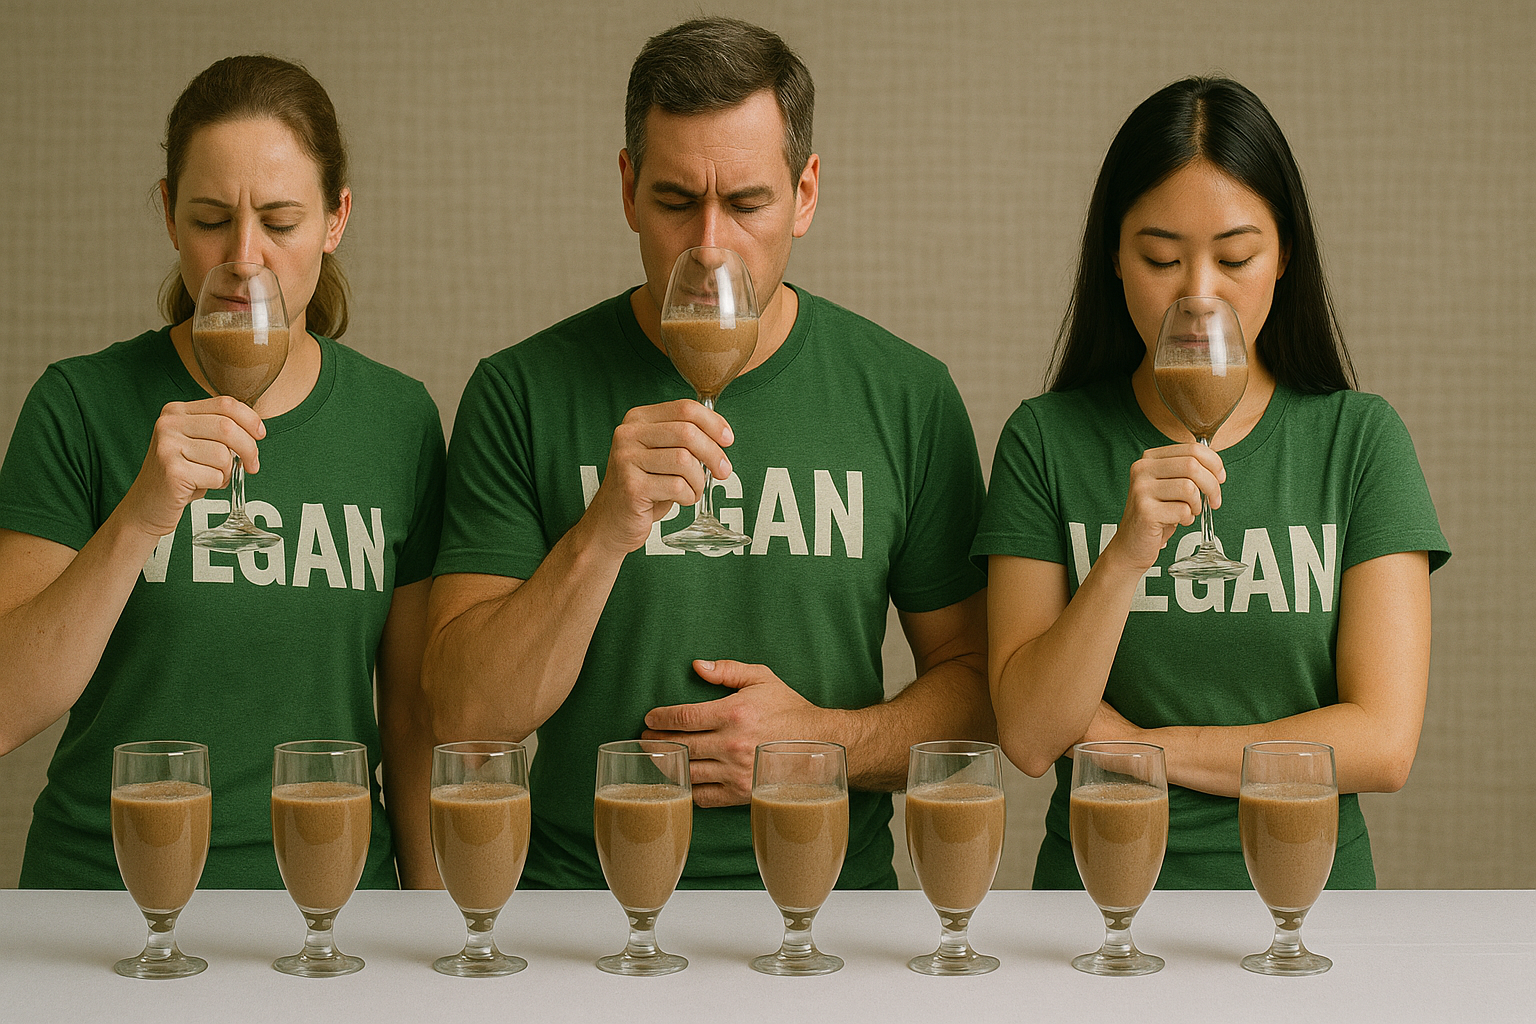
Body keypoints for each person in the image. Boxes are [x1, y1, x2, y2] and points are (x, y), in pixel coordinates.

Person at [425, 17, 991, 890]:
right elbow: (465, 717)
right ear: (627, 191)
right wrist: (605, 530)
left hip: (827, 911)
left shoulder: (906, 396)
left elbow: (983, 694)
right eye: (677, 202)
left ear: (805, 193)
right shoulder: (520, 391)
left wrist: (820, 745)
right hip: (582, 912)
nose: (711, 247)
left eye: (749, 203)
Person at [974, 77, 1449, 889]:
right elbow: (1027, 731)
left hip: (1306, 904)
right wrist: (1124, 558)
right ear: (1116, 260)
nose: (1198, 296)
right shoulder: (1045, 441)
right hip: (1097, 907)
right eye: (1162, 258)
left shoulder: (1359, 441)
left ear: (1284, 256)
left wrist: (1143, 751)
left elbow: (1382, 743)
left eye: (1235, 258)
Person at [0, 55, 446, 889]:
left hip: (332, 898)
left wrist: (426, 918)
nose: (244, 259)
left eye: (280, 221)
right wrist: (139, 516)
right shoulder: (79, 404)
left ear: (336, 219)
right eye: (212, 219)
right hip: (108, 895)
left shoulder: (399, 422)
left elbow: (413, 718)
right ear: (170, 215)